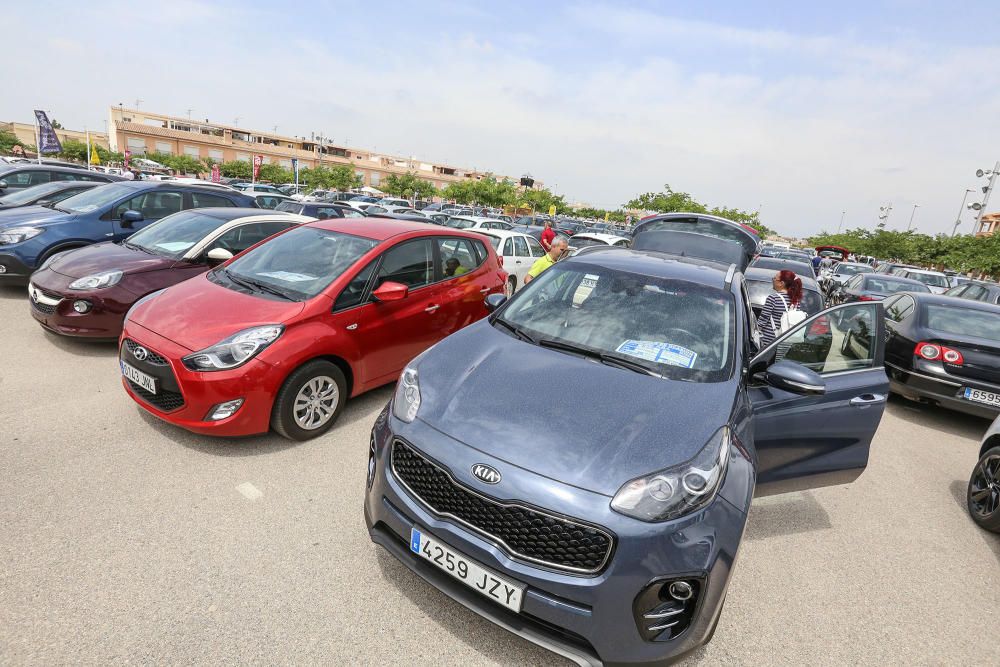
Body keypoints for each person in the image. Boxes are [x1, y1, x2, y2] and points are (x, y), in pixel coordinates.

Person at [756, 269, 803, 347]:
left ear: (781, 283)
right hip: (785, 342)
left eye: (774, 278)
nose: (773, 280)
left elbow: (763, 321)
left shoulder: (773, 298)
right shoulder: (796, 301)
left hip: (768, 343)